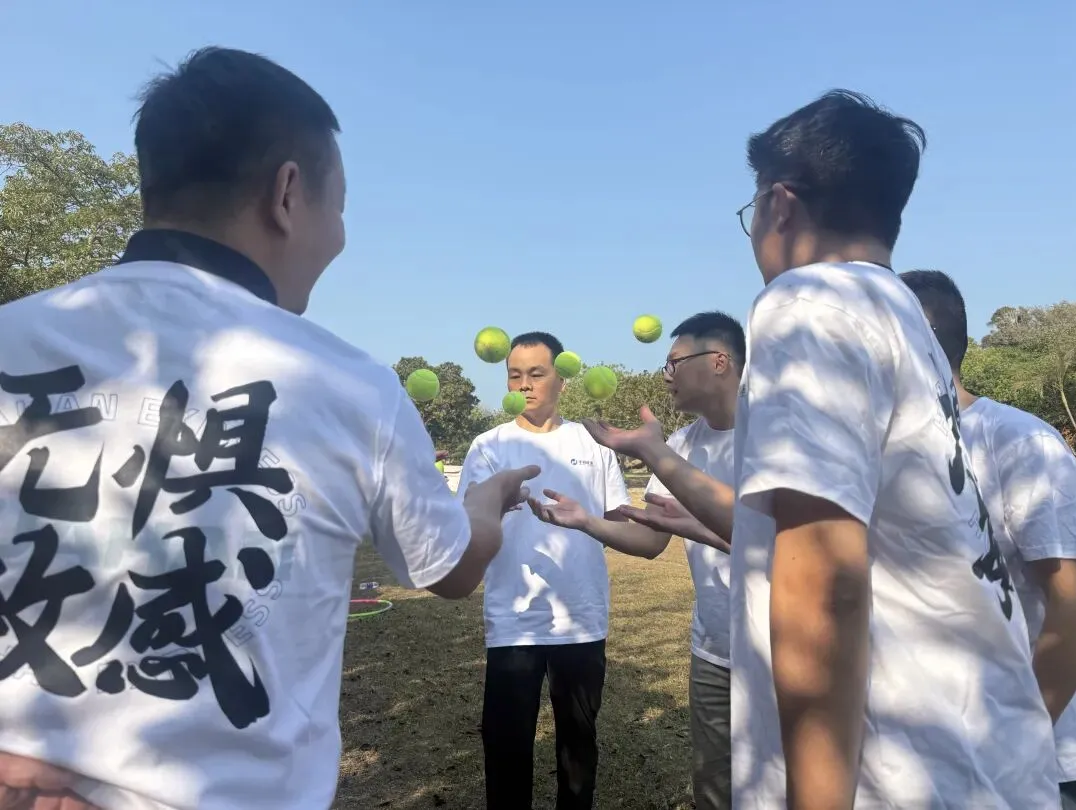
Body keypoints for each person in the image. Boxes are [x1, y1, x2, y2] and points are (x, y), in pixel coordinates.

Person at [0, 47, 537, 810]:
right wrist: (485, 502)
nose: (340, 236)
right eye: (338, 206)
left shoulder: (14, 335)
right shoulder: (347, 385)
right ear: (287, 193)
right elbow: (449, 569)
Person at [583, 90, 1059, 809]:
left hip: (899, 778)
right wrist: (661, 456)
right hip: (976, 764)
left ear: (779, 204)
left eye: (750, 210)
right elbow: (794, 536)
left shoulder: (808, 303)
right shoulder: (903, 321)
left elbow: (823, 576)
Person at [529, 311, 742, 810]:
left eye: (674, 362)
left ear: (718, 361)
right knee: (714, 789)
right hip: (714, 649)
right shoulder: (680, 445)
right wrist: (586, 521)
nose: (665, 375)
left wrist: (695, 521)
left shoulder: (779, 432)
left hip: (783, 648)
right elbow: (650, 541)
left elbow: (784, 543)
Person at [902, 268, 1076, 806]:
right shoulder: (891, 453)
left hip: (1038, 766)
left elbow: (1071, 606)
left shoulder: (1021, 443)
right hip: (938, 761)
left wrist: (1016, 746)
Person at [458, 331, 631, 810]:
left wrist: (590, 520)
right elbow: (466, 525)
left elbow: (616, 523)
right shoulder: (489, 446)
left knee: (578, 742)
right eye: (515, 375)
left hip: (581, 616)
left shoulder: (593, 443)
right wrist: (495, 506)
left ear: (562, 380)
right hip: (513, 618)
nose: (525, 384)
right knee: (506, 744)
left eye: (537, 373)